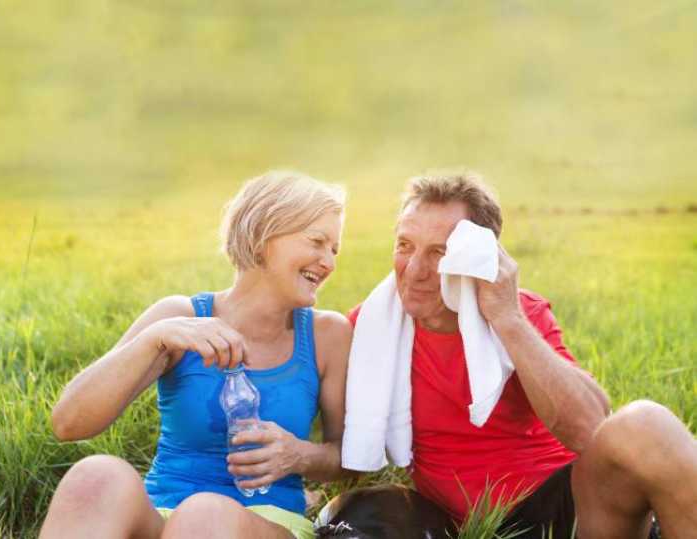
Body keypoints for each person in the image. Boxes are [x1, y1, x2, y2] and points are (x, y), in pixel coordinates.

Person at [341, 173, 697, 539]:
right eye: (405, 245)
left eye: (439, 253)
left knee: (646, 423)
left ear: (477, 257)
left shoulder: (520, 314)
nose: (414, 271)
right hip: (478, 527)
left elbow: (590, 430)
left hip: (570, 507)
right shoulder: (372, 329)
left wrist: (508, 319)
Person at [40, 171, 353, 539]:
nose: (328, 262)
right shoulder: (179, 319)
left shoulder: (327, 335)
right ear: (262, 235)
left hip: (268, 521)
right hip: (164, 513)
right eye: (317, 242)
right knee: (96, 476)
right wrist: (153, 340)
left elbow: (349, 459)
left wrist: (299, 455)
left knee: (206, 514)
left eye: (334, 250)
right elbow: (69, 423)